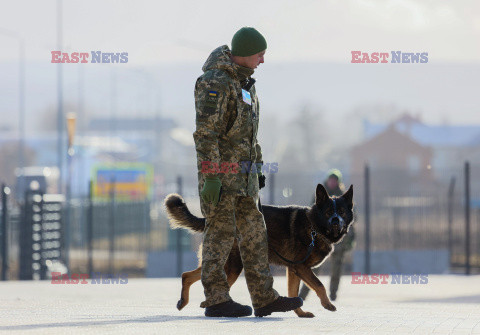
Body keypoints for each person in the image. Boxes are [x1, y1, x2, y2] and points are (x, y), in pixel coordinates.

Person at [193, 27, 303, 317]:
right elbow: (206, 135)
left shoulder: (245, 84)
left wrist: (257, 168)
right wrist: (212, 176)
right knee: (220, 235)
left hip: (244, 179)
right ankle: (216, 300)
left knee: (256, 235)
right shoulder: (215, 82)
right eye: (260, 54)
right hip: (222, 180)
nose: (262, 61)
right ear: (244, 54)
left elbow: (249, 136)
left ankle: (264, 298)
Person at [298, 169, 356, 301]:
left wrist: (351, 237)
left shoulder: (343, 196)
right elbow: (311, 213)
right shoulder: (321, 196)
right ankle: (302, 295)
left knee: (336, 268)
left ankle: (333, 294)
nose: (332, 182)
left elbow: (352, 218)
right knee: (314, 266)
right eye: (331, 180)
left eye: (335, 180)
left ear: (338, 182)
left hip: (339, 238)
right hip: (321, 238)